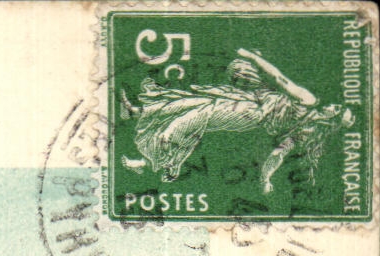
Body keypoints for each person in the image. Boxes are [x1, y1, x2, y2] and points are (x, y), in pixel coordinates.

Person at [120, 48, 355, 194]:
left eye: (336, 110)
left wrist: (251, 57)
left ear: (331, 119)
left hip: (251, 113)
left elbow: (280, 79)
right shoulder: (307, 132)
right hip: (249, 100)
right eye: (337, 106)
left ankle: (156, 162)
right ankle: (137, 113)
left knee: (197, 117)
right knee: (195, 101)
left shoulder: (309, 101)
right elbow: (279, 153)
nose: (332, 105)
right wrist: (265, 179)